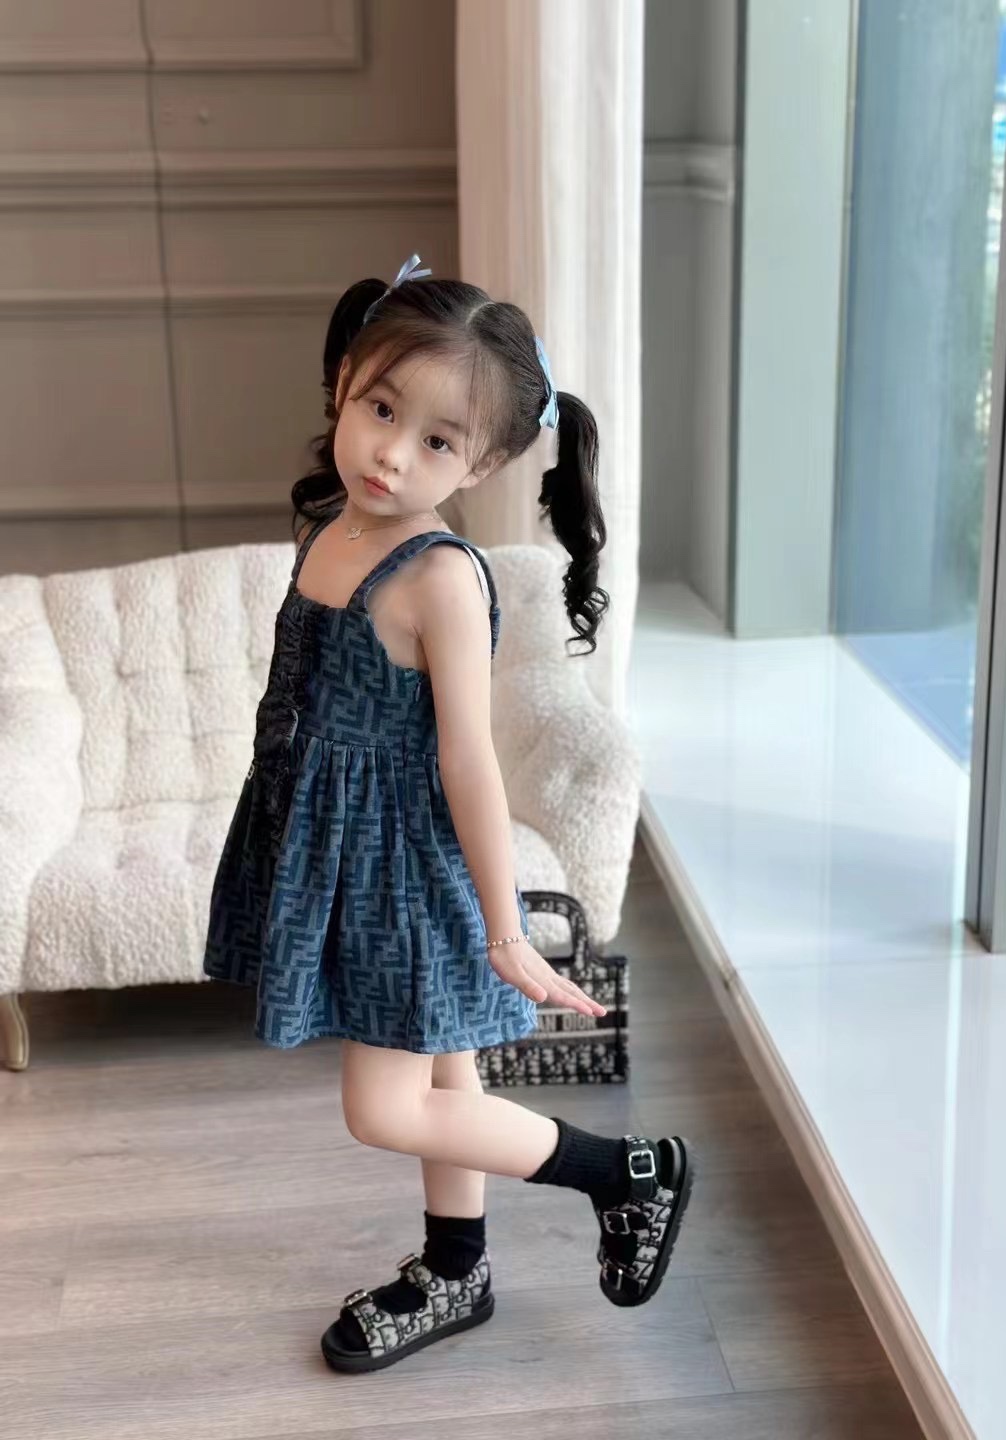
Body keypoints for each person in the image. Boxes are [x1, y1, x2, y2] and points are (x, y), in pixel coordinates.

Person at [202, 254, 695, 1374]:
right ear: (344, 381)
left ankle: (627, 1173)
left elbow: (469, 762)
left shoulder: (440, 579)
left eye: (436, 441)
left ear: (487, 462)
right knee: (443, 1073)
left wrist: (503, 928)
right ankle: (457, 1266)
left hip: (401, 876)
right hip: (335, 850)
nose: (391, 454)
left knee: (383, 1109)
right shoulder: (333, 527)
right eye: (382, 410)